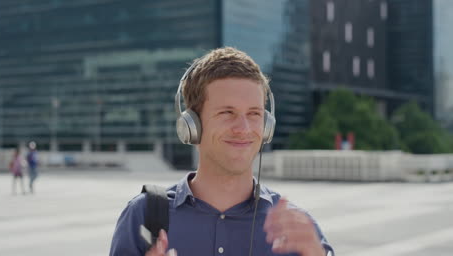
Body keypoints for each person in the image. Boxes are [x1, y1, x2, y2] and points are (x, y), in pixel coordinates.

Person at [110, 47, 334, 256]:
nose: (244, 129)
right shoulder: (143, 216)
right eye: (227, 112)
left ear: (267, 126)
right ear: (192, 126)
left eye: (254, 114)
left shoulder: (297, 230)